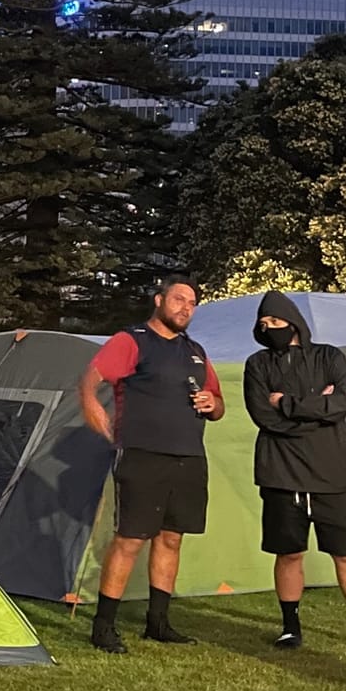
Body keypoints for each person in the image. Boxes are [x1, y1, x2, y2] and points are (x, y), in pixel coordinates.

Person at [79, 276, 225, 653]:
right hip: (143, 454)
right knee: (130, 539)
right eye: (179, 299)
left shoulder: (195, 351)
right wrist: (94, 409)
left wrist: (213, 403)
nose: (186, 307)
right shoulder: (132, 340)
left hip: (189, 456)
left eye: (192, 303)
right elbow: (92, 378)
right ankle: (103, 627)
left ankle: (158, 623)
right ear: (159, 300)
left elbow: (218, 405)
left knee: (171, 538)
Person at [243, 293, 346, 652]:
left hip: (331, 476)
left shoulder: (329, 357)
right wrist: (316, 410)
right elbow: (264, 417)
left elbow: (339, 406)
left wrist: (287, 403)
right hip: (281, 475)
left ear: (292, 322)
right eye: (263, 324)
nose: (269, 328)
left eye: (275, 321)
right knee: (288, 553)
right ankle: (290, 627)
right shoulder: (258, 364)